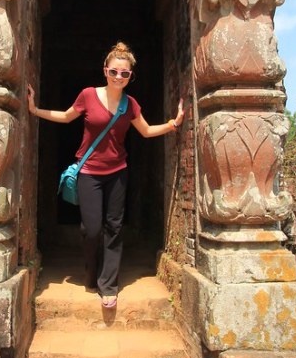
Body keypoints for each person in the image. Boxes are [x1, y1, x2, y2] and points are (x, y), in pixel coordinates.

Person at [27, 41, 184, 309]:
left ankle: (108, 285)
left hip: (118, 173)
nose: (119, 77)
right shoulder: (88, 95)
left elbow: (145, 131)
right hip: (88, 172)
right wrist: (34, 109)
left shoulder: (130, 104)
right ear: (105, 71)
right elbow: (66, 117)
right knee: (92, 229)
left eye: (125, 74)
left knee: (114, 228)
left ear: (130, 76)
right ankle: (91, 272)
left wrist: (173, 124)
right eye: (114, 72)